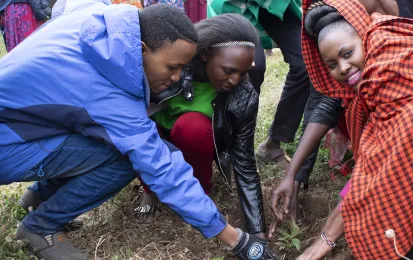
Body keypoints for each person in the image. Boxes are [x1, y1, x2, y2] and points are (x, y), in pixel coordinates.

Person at [0, 1, 279, 259]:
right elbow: (159, 166)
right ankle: (41, 226)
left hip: (26, 122)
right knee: (125, 158)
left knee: (101, 137)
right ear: (143, 49)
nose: (177, 77)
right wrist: (234, 238)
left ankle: (39, 195)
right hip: (9, 143)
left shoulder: (97, 21)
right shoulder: (105, 93)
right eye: (172, 67)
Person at [275, 0, 413, 259]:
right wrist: (293, 173)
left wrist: (325, 240)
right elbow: (324, 104)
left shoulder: (388, 73)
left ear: (364, 36)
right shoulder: (368, 70)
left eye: (347, 54)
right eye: (331, 65)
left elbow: (373, 168)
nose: (342, 68)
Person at [135, 13, 268, 238]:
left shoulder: (243, 95)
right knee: (136, 128)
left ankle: (200, 193)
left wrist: (257, 231)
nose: (235, 80)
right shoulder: (174, 64)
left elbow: (245, 164)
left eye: (243, 73)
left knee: (192, 127)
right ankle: (151, 190)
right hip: (159, 136)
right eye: (228, 70)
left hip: (198, 139)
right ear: (206, 54)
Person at [208, 0, 312, 172]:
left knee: (305, 62)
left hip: (273, 3)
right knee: (250, 67)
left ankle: (272, 142)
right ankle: (238, 147)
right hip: (235, 4)